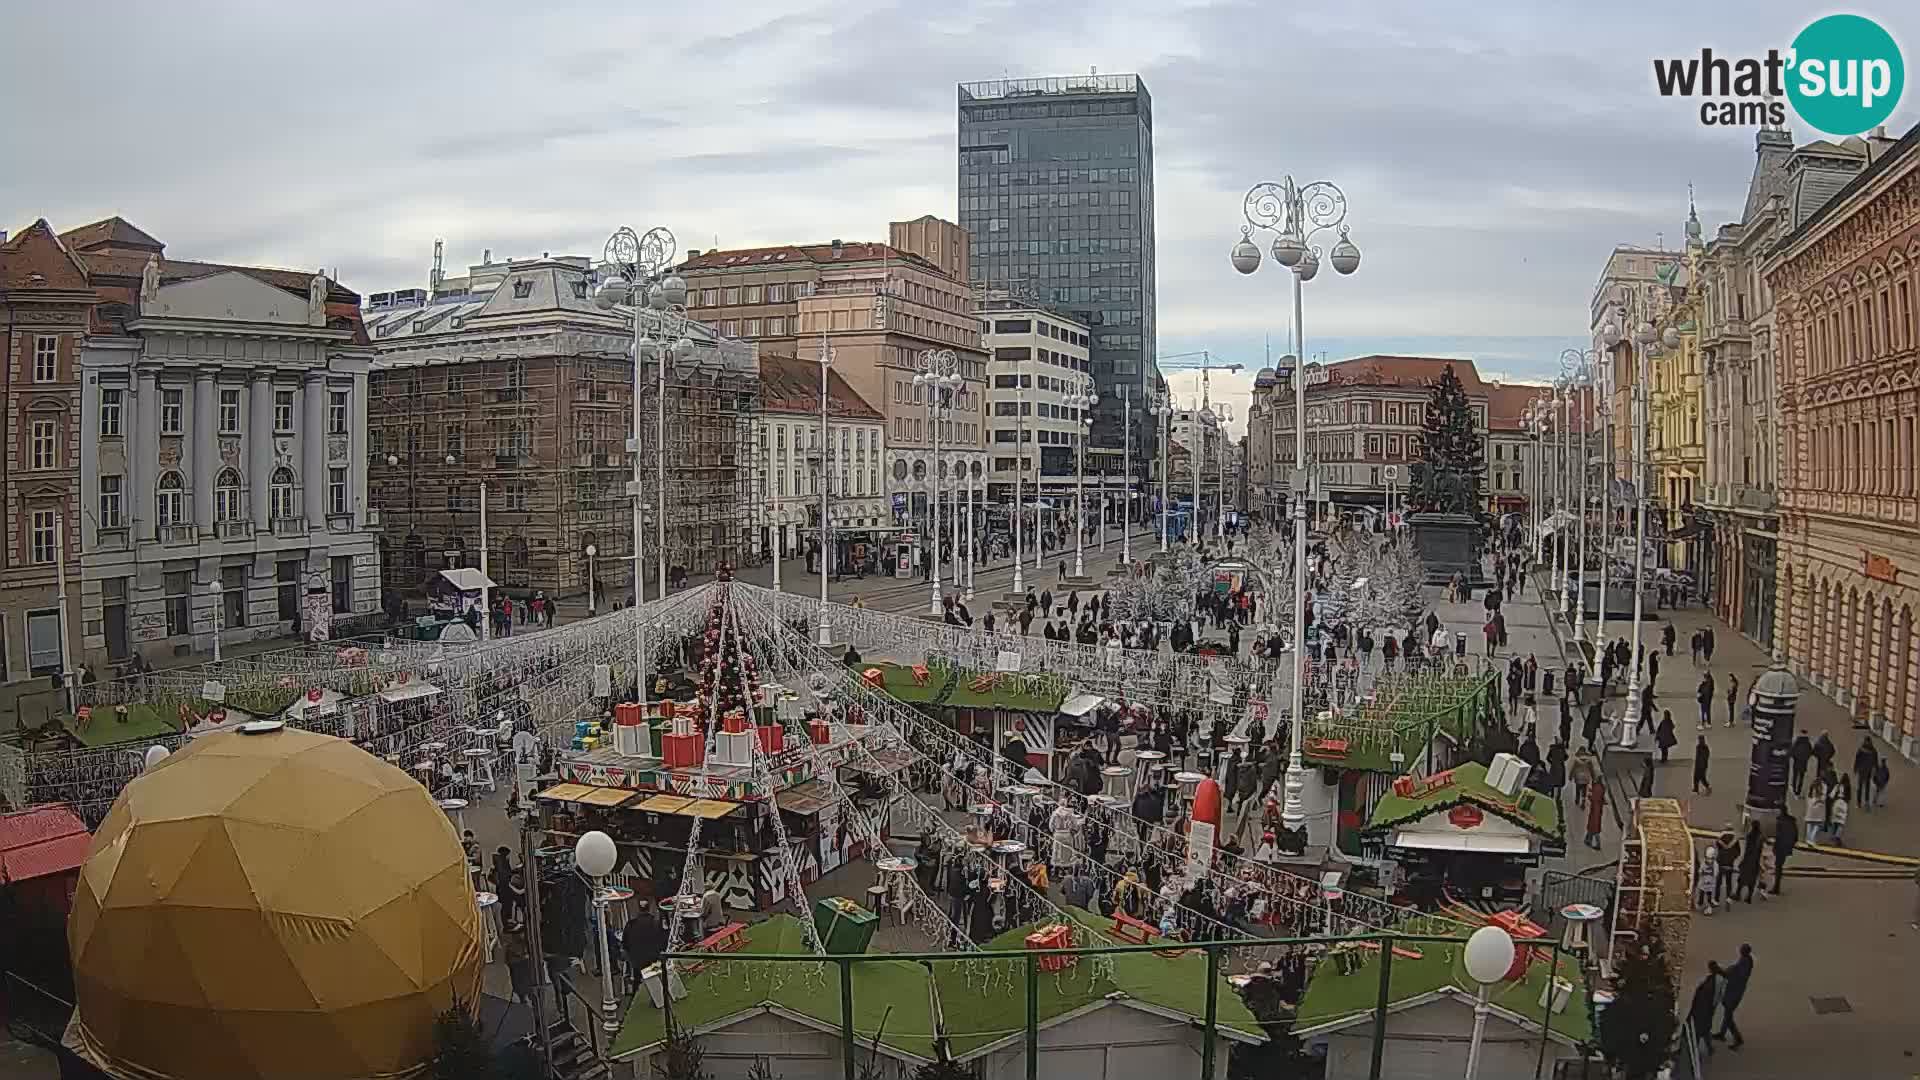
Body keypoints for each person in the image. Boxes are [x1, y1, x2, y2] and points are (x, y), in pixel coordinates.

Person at [1715, 944, 1752, 1050]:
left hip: (1735, 992)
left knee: (1728, 1015)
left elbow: (1732, 974)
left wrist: (1723, 971)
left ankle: (1738, 1038)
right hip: (1734, 991)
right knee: (1728, 1014)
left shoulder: (1744, 964)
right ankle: (1722, 1034)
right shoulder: (1745, 960)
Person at [1688, 962, 1724, 1059]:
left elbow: (1715, 996)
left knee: (1700, 1030)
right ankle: (1708, 1048)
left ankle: (1697, 1049)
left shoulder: (1712, 981)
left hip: (1703, 1009)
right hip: (1706, 1009)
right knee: (1705, 1029)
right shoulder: (1714, 979)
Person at [1735, 821, 1765, 903]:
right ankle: (1749, 897)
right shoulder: (1761, 837)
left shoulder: (1750, 836)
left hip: (1748, 860)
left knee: (1741, 879)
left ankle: (1738, 894)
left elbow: (1747, 850)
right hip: (1755, 862)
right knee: (1752, 880)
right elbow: (1760, 850)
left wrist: (1742, 861)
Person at [1771, 809, 1796, 896]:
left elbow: (1778, 835)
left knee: (1778, 867)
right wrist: (1791, 845)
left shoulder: (1780, 821)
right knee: (1779, 866)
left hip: (1780, 847)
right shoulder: (1792, 821)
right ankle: (1776, 887)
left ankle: (1776, 887)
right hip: (1787, 847)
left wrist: (1774, 847)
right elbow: (1795, 835)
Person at [1853, 739, 1877, 809]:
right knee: (1865, 787)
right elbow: (1875, 761)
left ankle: (1860, 802)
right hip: (1866, 770)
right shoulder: (1873, 750)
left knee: (1862, 787)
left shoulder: (1861, 749)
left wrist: (1855, 768)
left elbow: (1857, 759)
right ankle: (1863, 802)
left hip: (1863, 770)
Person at [1789, 730, 1813, 795]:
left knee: (1795, 776)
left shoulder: (1797, 742)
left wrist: (1794, 757)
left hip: (1796, 762)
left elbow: (1792, 751)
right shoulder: (1808, 743)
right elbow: (1810, 752)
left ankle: (1794, 788)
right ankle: (1799, 790)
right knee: (1801, 777)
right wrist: (1806, 758)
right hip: (1804, 763)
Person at [1584, 778, 1606, 849]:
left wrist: (1589, 796)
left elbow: (1594, 798)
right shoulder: (1600, 787)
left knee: (1594, 828)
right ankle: (1587, 840)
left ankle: (1597, 844)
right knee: (1591, 827)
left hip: (1595, 811)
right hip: (1597, 810)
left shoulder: (1597, 787)